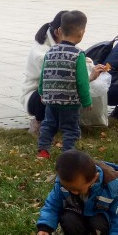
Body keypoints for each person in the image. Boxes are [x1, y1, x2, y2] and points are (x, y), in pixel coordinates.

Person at [36, 10, 96, 158]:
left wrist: (42, 92)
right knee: (70, 128)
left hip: (51, 100)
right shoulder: (78, 54)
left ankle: (43, 151)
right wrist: (86, 100)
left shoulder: (50, 51)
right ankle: (68, 154)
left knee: (49, 124)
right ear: (81, 33)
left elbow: (44, 74)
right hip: (70, 102)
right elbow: (82, 81)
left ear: (60, 30)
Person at [21, 11, 66, 136]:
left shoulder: (58, 42)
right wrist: (89, 76)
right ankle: (39, 122)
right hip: (35, 96)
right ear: (58, 32)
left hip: (48, 89)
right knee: (56, 90)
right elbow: (61, 77)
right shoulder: (42, 55)